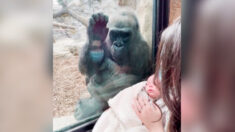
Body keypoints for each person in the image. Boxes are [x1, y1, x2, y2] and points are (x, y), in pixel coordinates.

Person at [92, 17, 181, 132]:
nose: (118, 43)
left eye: (124, 35)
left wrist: (155, 126)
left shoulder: (141, 48)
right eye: (115, 34)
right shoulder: (103, 46)